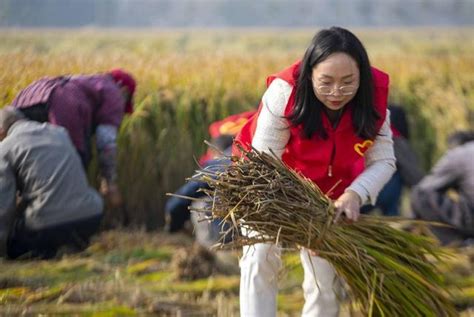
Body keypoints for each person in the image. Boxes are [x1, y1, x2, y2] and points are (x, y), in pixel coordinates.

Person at [233, 27, 396, 316]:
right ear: (309, 75)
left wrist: (355, 195)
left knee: (326, 276)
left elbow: (384, 161)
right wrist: (302, 214)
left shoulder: (375, 101)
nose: (337, 92)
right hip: (267, 184)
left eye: (348, 82)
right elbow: (264, 161)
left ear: (362, 78)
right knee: (260, 256)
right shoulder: (285, 93)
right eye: (326, 82)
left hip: (333, 194)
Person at [11, 69, 136, 207]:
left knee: (20, 160)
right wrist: (109, 181)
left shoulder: (87, 80)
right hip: (63, 107)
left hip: (30, 95)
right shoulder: (115, 92)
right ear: (124, 91)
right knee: (73, 163)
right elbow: (106, 141)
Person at [0, 107, 103, 259]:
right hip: (91, 217)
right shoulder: (59, 132)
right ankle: (71, 245)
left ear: (1, 130)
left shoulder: (6, 147)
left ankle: (49, 251)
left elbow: (3, 203)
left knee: (15, 246)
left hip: (48, 226)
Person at [165, 134, 235, 247]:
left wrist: (172, 226)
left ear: (214, 150)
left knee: (202, 203)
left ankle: (211, 250)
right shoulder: (246, 151)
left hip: (222, 237)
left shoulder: (218, 164)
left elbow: (181, 197)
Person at [411, 130, 474, 246]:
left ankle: (458, 243)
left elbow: (425, 188)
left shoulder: (460, 153)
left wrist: (412, 223)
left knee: (420, 195)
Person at [362, 104, 424, 216]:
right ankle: (392, 217)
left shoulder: (366, 135)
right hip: (379, 195)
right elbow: (412, 173)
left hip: (356, 193)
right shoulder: (396, 141)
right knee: (397, 175)